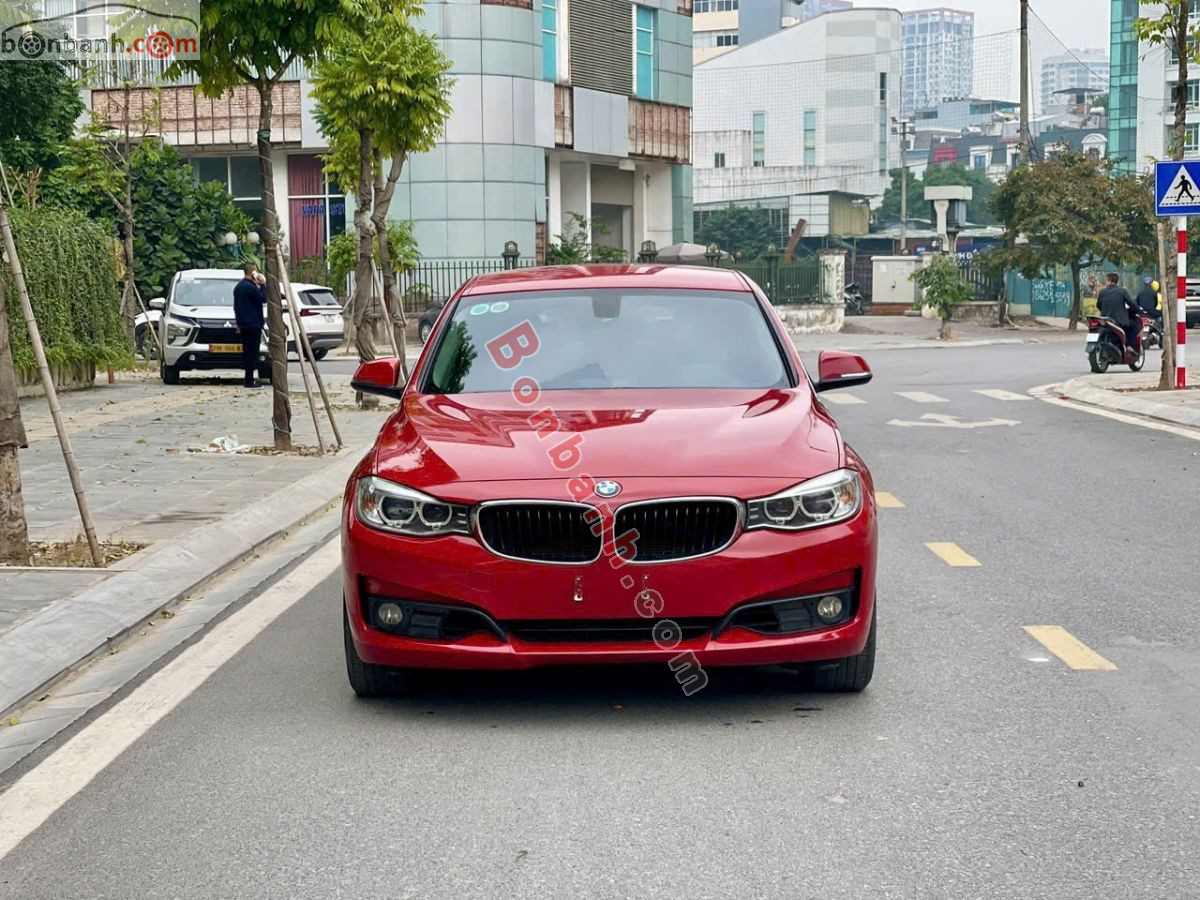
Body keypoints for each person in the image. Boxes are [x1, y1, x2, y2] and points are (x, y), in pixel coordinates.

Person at [233, 263, 267, 389]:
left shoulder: (238, 287)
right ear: (253, 273)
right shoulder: (251, 287)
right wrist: (263, 284)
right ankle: (249, 380)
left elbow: (236, 307)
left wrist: (238, 323)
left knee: (247, 353)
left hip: (244, 324)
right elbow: (263, 298)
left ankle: (248, 379)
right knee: (252, 354)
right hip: (253, 324)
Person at [1097, 273, 1141, 352]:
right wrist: (1138, 310)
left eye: (1106, 280)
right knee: (1135, 327)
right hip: (1119, 321)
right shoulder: (1122, 291)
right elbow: (1131, 303)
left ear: (1109, 280)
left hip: (1105, 320)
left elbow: (1098, 305)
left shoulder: (1102, 292)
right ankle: (1128, 346)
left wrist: (1106, 311)